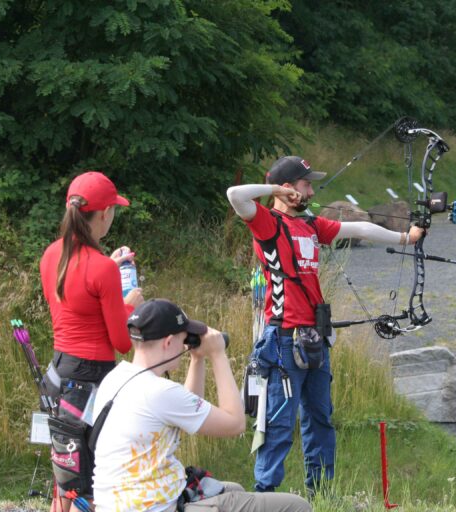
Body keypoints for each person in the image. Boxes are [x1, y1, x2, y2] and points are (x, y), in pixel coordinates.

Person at [226, 155, 424, 494]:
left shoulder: (311, 224)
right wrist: (276, 190)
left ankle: (320, 493)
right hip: (283, 339)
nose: (312, 190)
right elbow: (235, 195)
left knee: (320, 419)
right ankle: (264, 495)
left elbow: (359, 228)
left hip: (314, 337)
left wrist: (406, 237)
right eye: (306, 184)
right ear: (288, 189)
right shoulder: (267, 223)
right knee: (279, 423)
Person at [92, 299, 312, 512]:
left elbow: (187, 413)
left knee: (233, 489)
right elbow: (235, 424)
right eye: (182, 338)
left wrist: (197, 359)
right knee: (297, 506)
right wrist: (217, 355)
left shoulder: (116, 378)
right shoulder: (159, 392)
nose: (186, 343)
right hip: (156, 507)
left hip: (121, 503)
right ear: (168, 343)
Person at [39, 170, 145, 512]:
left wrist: (107, 268)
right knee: (93, 486)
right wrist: (132, 304)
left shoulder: (52, 254)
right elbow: (122, 342)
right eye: (113, 209)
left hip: (58, 373)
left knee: (65, 479)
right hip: (92, 383)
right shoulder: (103, 270)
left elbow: (75, 302)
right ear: (103, 214)